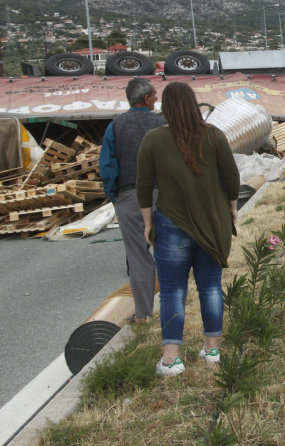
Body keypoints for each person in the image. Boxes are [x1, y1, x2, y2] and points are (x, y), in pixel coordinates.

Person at [138, 82, 240, 376]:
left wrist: (147, 223)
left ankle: (171, 359)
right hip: (212, 222)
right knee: (210, 285)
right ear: (194, 104)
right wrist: (231, 208)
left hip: (171, 224)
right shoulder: (214, 136)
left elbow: (144, 186)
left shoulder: (154, 139)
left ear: (165, 107)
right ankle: (212, 349)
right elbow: (231, 177)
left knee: (172, 291)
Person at [99, 78, 165, 324]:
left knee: (138, 258)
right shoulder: (162, 124)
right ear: (146, 98)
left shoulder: (116, 125)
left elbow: (107, 166)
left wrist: (115, 196)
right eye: (154, 95)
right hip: (163, 196)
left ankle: (143, 314)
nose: (157, 98)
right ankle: (172, 307)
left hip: (130, 196)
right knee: (168, 252)